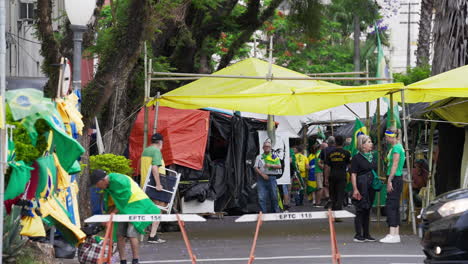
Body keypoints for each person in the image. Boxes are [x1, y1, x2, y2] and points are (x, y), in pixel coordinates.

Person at [90, 169, 161, 264]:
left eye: (97, 184)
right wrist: (107, 216)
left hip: (137, 206)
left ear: (102, 180)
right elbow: (114, 202)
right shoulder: (108, 184)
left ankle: (135, 260)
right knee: (120, 234)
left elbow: (123, 202)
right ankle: (122, 260)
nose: (97, 187)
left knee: (131, 233)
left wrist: (111, 215)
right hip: (124, 208)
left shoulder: (119, 181)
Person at [140, 133, 168, 244]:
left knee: (149, 209)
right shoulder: (156, 151)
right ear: (161, 142)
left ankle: (145, 232)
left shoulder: (146, 150)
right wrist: (158, 184)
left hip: (146, 183)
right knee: (159, 208)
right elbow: (155, 168)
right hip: (154, 184)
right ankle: (152, 235)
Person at [380, 128, 406, 243]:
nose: (386, 139)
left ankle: (392, 233)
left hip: (394, 178)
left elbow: (394, 165)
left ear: (391, 136)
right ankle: (395, 233)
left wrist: (389, 180)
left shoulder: (396, 148)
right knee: (394, 205)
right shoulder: (398, 147)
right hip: (397, 178)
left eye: (387, 136)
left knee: (390, 205)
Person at [350, 135, 377, 242]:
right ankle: (358, 234)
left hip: (371, 185)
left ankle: (367, 234)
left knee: (368, 209)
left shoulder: (372, 156)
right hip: (361, 185)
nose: (371, 144)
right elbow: (353, 174)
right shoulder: (356, 158)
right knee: (360, 209)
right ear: (362, 145)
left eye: (371, 141)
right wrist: (355, 189)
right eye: (369, 142)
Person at [324, 135, 350, 214]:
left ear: (335, 142)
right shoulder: (346, 153)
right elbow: (349, 166)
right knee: (340, 194)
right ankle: (338, 212)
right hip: (342, 175)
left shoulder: (330, 153)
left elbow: (327, 167)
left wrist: (326, 178)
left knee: (333, 194)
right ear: (343, 143)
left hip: (332, 175)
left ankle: (334, 211)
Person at [254, 140, 282, 213]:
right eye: (265, 146)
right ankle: (263, 213)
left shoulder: (274, 156)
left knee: (274, 196)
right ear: (263, 148)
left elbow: (279, 166)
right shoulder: (259, 157)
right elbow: (255, 167)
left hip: (272, 178)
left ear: (270, 148)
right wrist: (262, 174)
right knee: (261, 197)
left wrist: (271, 165)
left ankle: (275, 212)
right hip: (261, 178)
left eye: (268, 146)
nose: (267, 148)